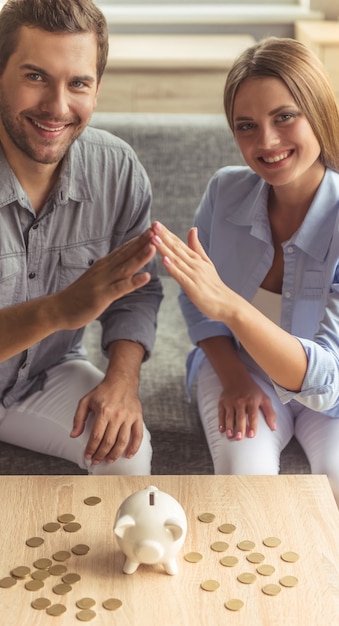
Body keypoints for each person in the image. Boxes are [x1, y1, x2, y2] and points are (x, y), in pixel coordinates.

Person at [0, 0, 163, 520]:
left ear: (96, 87)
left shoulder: (118, 169)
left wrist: (123, 378)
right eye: (36, 77)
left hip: (49, 373)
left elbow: (143, 289)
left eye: (78, 83)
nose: (57, 106)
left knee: (129, 458)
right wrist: (61, 310)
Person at [151, 37, 339, 504]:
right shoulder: (224, 193)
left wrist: (231, 306)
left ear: (318, 110)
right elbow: (196, 305)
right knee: (245, 481)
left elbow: (324, 380)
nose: (267, 142)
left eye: (284, 116)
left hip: (332, 394)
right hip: (243, 369)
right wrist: (233, 375)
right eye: (247, 126)